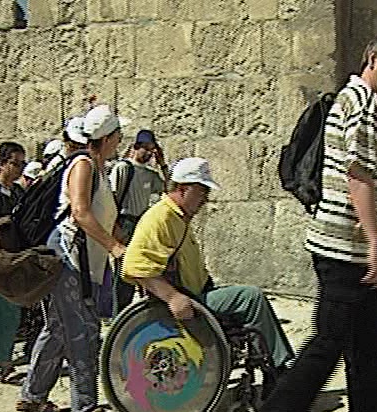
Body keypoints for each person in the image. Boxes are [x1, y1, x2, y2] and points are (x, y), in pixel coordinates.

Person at [238, 32, 377, 412]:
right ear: (372, 58)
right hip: (346, 247)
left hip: (352, 245)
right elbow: (357, 175)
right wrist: (376, 242)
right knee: (329, 342)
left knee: (370, 345)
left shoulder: (370, 106)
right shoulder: (360, 102)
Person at [121, 157, 295, 395]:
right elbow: (136, 267)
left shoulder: (177, 218)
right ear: (183, 188)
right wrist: (172, 298)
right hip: (189, 300)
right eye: (201, 191)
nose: (205, 199)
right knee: (251, 298)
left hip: (198, 292)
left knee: (247, 301)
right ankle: (280, 369)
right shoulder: (161, 217)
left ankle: (276, 366)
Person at [18, 105, 127, 412]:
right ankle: (85, 406)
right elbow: (80, 212)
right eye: (118, 135)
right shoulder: (83, 165)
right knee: (82, 328)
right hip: (69, 258)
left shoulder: (99, 167)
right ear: (106, 138)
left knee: (58, 328)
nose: (121, 140)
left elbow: (105, 216)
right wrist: (114, 247)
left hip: (83, 260)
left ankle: (33, 394)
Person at [108, 129, 169, 316]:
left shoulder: (150, 174)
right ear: (136, 147)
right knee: (125, 271)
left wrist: (162, 164)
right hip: (125, 221)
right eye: (146, 149)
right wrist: (114, 226)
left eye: (152, 150)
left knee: (144, 267)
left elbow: (170, 188)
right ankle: (119, 314)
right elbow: (112, 197)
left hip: (141, 222)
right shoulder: (124, 168)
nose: (149, 154)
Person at [0, 142, 27, 384]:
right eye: (15, 163)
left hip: (13, 260)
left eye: (22, 164)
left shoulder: (19, 193)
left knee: (10, 312)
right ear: (2, 164)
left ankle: (5, 363)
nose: (20, 169)